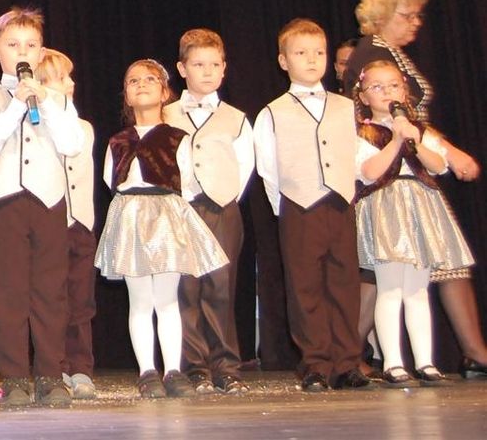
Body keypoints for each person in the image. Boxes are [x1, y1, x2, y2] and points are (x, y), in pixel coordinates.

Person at [342, 0, 487, 378]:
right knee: (387, 273)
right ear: (382, 14)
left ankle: (403, 356)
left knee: (415, 274)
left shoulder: (390, 52)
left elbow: (415, 124)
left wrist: (438, 151)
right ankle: (361, 354)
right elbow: (382, 117)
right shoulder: (373, 53)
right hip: (389, 175)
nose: (415, 23)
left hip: (416, 169)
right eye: (406, 15)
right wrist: (448, 151)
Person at [0, 7, 84, 407]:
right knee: (8, 291)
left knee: (51, 290)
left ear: (41, 52)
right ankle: (15, 375)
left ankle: (51, 374)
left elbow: (72, 144)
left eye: (31, 45)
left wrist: (43, 102)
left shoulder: (57, 100)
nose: (22, 52)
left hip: (48, 201)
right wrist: (17, 104)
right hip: (4, 203)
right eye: (13, 44)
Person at [97, 60, 228, 399]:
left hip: (167, 216)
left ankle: (173, 370)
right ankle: (147, 371)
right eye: (133, 81)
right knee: (140, 299)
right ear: (126, 95)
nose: (141, 84)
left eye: (149, 79)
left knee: (167, 298)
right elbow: (111, 180)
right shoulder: (117, 141)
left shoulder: (177, 138)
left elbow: (188, 181)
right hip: (131, 216)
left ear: (165, 91)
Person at [252, 20, 369, 392]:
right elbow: (267, 167)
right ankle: (315, 362)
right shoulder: (272, 112)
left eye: (319, 52)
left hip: (340, 204)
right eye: (301, 53)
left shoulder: (345, 106)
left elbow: (356, 155)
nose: (312, 59)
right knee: (305, 287)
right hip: (299, 205)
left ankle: (347, 362)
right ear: (283, 61)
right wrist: (285, 205)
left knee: (344, 284)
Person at [353, 59, 474, 386]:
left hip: (420, 207)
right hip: (386, 208)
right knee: (390, 288)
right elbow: (369, 172)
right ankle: (393, 362)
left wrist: (414, 141)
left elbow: (438, 166)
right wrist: (395, 140)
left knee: (418, 290)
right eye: (377, 87)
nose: (387, 92)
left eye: (394, 85)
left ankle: (425, 361)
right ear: (363, 96)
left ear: (404, 91)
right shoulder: (362, 132)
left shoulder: (418, 130)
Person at [163, 28, 254, 394]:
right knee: (185, 288)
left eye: (215, 65)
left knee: (220, 287)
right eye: (199, 64)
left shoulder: (236, 118)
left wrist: (224, 196)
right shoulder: (166, 113)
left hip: (220, 207)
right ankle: (194, 366)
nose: (207, 71)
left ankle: (226, 365)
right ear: (182, 69)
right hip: (179, 208)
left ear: (224, 68)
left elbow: (245, 165)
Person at [37, 47, 99, 400]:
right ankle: (55, 365)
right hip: (51, 224)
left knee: (81, 300)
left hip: (81, 224)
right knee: (52, 300)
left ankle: (81, 368)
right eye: (62, 78)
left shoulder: (84, 128)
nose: (71, 83)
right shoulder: (34, 128)